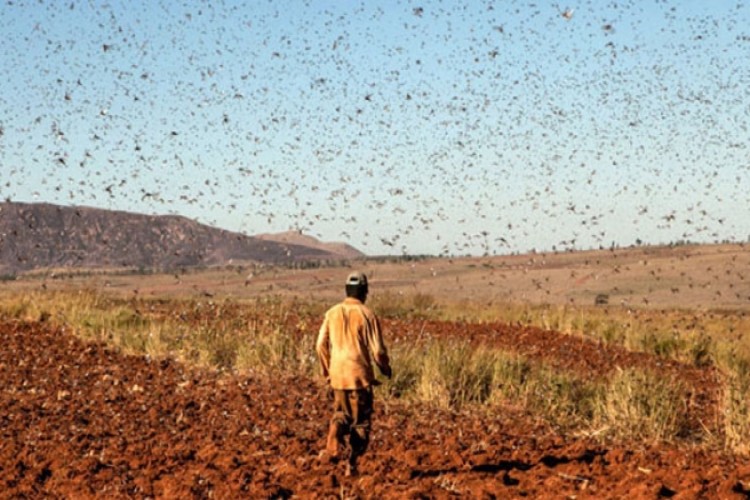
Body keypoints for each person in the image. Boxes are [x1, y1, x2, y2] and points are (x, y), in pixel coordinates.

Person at [316, 271, 392, 476]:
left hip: (337, 376)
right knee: (361, 423)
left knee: (341, 414)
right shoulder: (367, 314)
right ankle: (352, 463)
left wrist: (327, 370)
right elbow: (378, 351)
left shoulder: (332, 313)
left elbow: (320, 344)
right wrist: (385, 368)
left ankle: (335, 431)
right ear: (365, 292)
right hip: (359, 377)